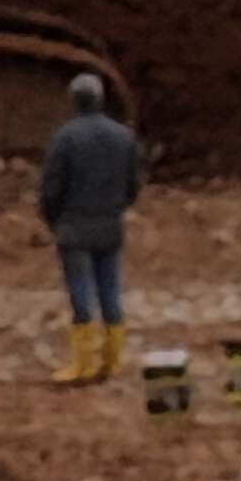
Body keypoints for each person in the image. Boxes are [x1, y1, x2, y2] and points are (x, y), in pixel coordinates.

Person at [35, 69, 146, 384]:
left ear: (74, 101)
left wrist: (54, 219)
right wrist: (115, 208)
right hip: (109, 225)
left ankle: (83, 365)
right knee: (110, 289)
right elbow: (134, 183)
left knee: (81, 293)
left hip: (73, 226)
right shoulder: (123, 137)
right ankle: (113, 361)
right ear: (101, 99)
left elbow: (50, 188)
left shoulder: (64, 137)